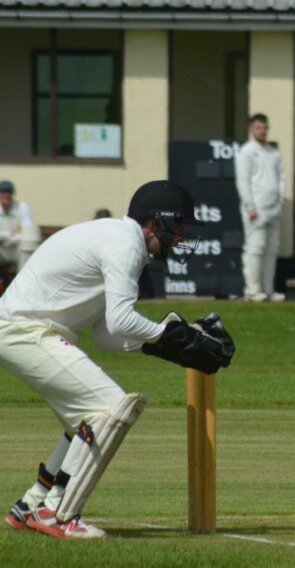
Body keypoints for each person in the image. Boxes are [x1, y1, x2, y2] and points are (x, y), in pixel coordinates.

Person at [1, 181, 235, 540]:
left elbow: (105, 333)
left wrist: (165, 347)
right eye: (180, 229)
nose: (179, 239)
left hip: (26, 329)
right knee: (111, 409)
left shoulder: (122, 242)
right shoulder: (124, 243)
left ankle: (31, 504)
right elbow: (122, 321)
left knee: (85, 417)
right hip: (25, 330)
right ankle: (57, 514)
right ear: (158, 222)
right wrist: (178, 337)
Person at [235, 113, 286, 302]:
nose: (263, 131)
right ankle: (252, 290)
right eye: (259, 128)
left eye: (265, 128)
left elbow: (281, 178)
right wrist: (250, 205)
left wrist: (280, 201)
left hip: (274, 208)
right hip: (256, 208)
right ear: (251, 128)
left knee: (271, 249)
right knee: (255, 247)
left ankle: (269, 290)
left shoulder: (273, 152)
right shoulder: (246, 152)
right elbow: (243, 180)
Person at [0, 180, 35, 290]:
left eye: (9, 192)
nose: (7, 195)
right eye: (4, 192)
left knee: (28, 244)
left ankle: (23, 286)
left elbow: (28, 231)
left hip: (15, 250)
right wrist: (8, 234)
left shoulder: (22, 207)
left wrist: (7, 238)